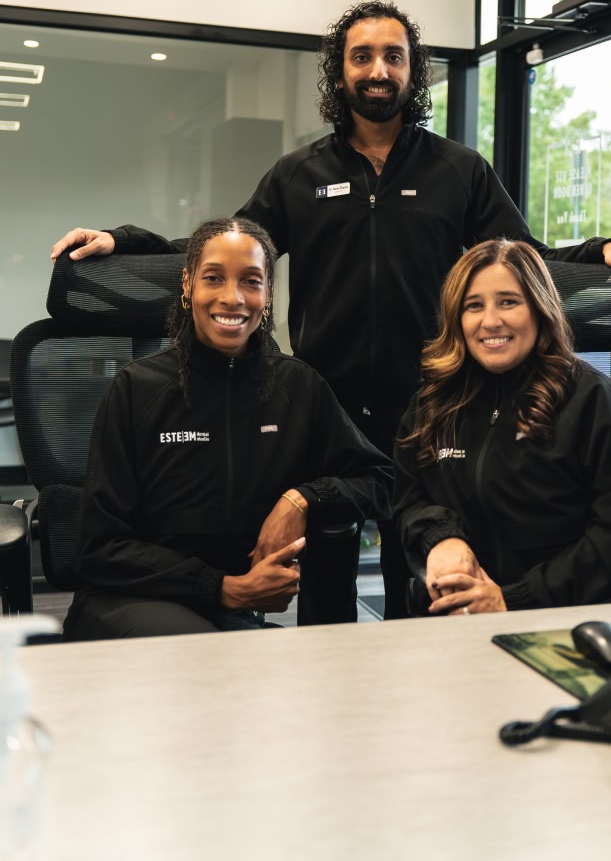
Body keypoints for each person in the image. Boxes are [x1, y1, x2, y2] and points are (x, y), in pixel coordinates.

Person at [51, 0, 611, 620]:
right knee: (325, 556)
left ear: (413, 71)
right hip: (328, 400)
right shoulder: (297, 173)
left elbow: (524, 258)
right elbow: (228, 255)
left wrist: (600, 250)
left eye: (394, 57)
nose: (379, 70)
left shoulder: (458, 170)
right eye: (362, 56)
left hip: (431, 398)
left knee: (425, 552)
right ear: (340, 71)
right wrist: (126, 243)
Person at [62, 217, 391, 641]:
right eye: (213, 278)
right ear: (187, 285)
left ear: (268, 294)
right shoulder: (136, 389)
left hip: (226, 613)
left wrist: (303, 499)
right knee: (210, 658)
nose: (232, 298)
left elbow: (381, 480)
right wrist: (222, 589)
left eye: (251, 281)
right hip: (126, 600)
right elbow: (99, 549)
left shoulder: (298, 387)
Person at [393, 239, 611, 616]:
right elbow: (409, 497)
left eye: (508, 302)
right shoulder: (434, 404)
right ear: (456, 318)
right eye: (473, 306)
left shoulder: (592, 399)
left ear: (539, 308)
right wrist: (440, 538)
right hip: (503, 593)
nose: (491, 320)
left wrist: (513, 601)